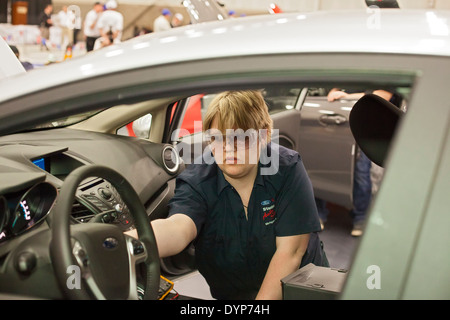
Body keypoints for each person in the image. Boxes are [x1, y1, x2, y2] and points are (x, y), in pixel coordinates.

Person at [127, 90, 328, 300]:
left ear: (264, 134)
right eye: (217, 138)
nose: (228, 149)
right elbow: (177, 227)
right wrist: (120, 243)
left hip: (301, 293)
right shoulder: (198, 179)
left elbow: (291, 252)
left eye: (241, 138)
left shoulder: (286, 168)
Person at [318, 88, 403, 236]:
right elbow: (333, 90)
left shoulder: (383, 76)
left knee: (362, 174)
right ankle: (319, 214)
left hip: (373, 129)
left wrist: (347, 96)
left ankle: (361, 220)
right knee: (321, 167)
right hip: (349, 124)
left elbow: (382, 96)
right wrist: (335, 91)